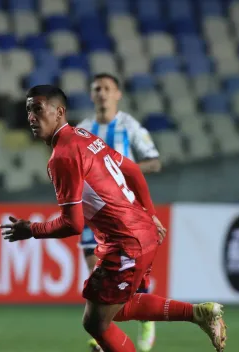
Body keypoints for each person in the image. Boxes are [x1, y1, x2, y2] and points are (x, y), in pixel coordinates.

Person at [0, 85, 226, 352]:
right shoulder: (83, 136)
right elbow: (131, 169)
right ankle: (200, 313)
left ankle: (199, 314)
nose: (31, 118)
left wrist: (31, 229)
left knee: (95, 323)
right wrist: (150, 214)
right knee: (114, 309)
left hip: (126, 242)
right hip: (138, 233)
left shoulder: (62, 157)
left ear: (59, 112)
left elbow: (73, 224)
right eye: (28, 110)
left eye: (38, 109)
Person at [78, 73, 161, 352]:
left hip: (126, 209)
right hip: (93, 209)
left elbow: (154, 162)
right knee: (97, 272)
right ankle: (104, 335)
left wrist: (121, 170)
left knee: (129, 277)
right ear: (91, 95)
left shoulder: (129, 126)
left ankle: (146, 318)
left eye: (107, 88)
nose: (101, 93)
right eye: (96, 88)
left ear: (117, 94)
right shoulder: (83, 129)